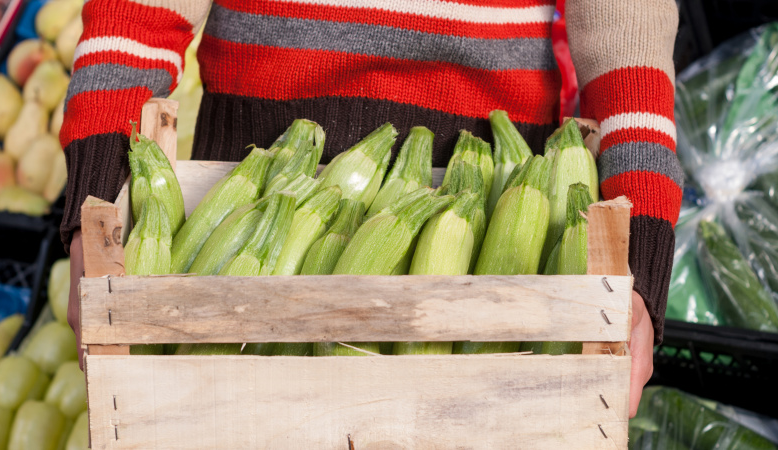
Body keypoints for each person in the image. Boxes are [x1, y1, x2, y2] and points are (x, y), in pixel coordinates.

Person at [61, 0, 682, 418]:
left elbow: (629, 37)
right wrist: (99, 204)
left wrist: (640, 246)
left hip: (492, 213)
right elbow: (136, 13)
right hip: (251, 187)